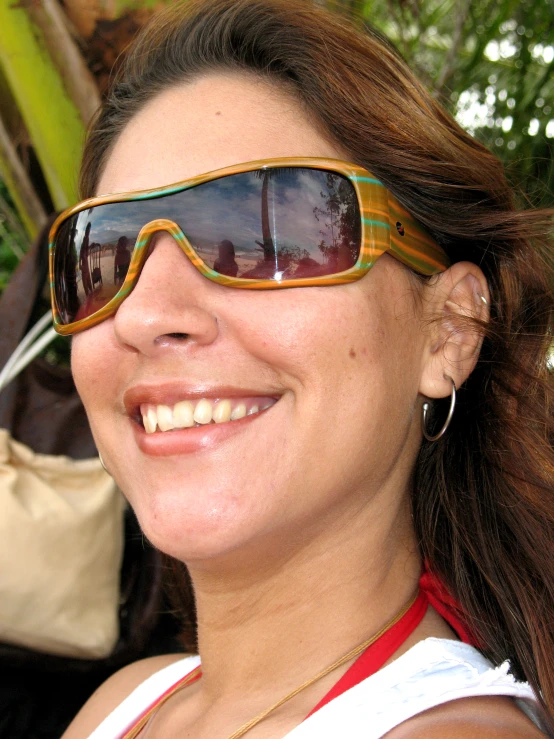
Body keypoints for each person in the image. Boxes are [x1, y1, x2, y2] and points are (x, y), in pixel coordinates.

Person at [48, 1, 553, 737]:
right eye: (105, 255)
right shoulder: (126, 703)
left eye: (262, 232)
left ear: (449, 330)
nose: (142, 315)